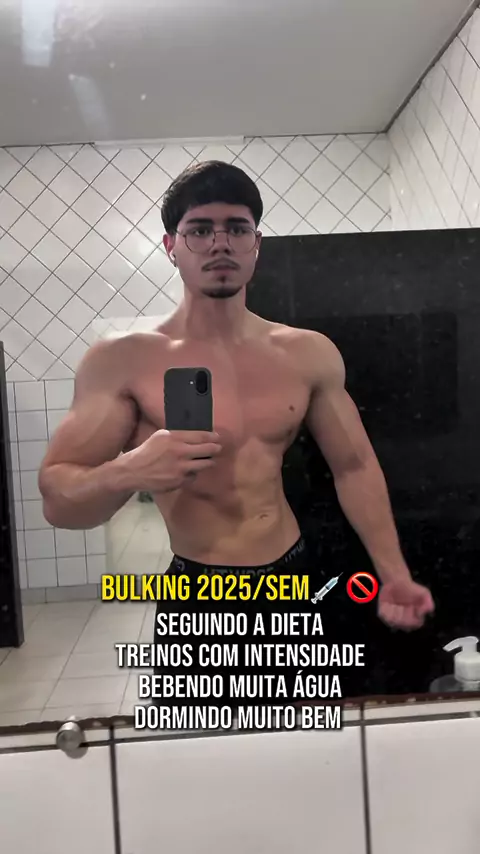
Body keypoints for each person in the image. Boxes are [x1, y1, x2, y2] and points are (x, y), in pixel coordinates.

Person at [38, 160, 434, 644]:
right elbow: (58, 502)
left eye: (237, 228)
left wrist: (394, 573)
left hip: (294, 577)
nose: (220, 243)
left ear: (256, 245)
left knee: (308, 697)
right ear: (171, 246)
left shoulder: (306, 352)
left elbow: (354, 467)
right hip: (198, 591)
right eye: (199, 230)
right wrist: (129, 472)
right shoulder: (122, 360)